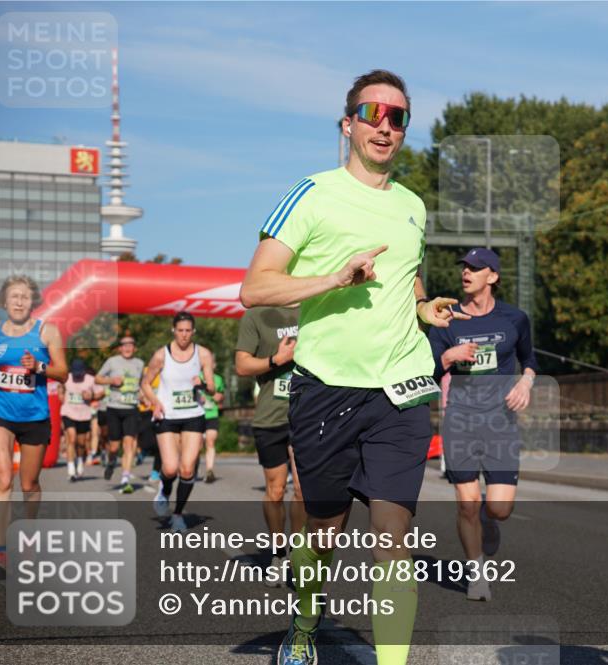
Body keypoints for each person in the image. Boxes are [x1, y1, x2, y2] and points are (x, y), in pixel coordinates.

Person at [239, 69, 465, 665]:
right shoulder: (311, 193)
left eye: (397, 117)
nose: (384, 126)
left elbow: (406, 274)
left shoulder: (414, 206)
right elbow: (254, 287)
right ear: (348, 124)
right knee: (323, 531)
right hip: (325, 389)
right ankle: (304, 627)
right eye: (372, 114)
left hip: (402, 390)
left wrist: (422, 304)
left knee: (393, 539)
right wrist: (335, 277)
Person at [428, 248, 537, 602]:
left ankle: (490, 520)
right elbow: (428, 372)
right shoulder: (448, 320)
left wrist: (526, 382)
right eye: (464, 267)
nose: (467, 273)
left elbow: (529, 359)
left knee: (499, 509)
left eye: (476, 268)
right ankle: (476, 573)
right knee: (467, 503)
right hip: (460, 417)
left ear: (493, 276)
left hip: (500, 421)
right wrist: (448, 356)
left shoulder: (514, 319)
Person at [0, 275, 68, 579]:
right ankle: (1, 551)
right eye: (14, 296)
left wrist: (38, 367)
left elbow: (63, 372)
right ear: (4, 301)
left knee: (29, 485)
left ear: (32, 301)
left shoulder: (47, 332)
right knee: (2, 480)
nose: (20, 301)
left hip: (35, 417)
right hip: (1, 414)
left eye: (25, 297)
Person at [234, 306, 306, 585]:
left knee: (302, 490)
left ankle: (300, 556)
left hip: (306, 415)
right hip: (270, 417)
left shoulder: (313, 306)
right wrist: (278, 358)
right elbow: (242, 365)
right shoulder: (257, 315)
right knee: (275, 492)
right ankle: (279, 554)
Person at [140, 311, 215, 533]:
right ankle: (164, 489)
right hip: (168, 416)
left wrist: (201, 383)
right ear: (173, 330)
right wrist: (155, 402)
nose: (184, 335)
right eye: (180, 330)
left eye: (188, 331)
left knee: (187, 468)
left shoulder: (203, 354)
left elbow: (211, 387)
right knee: (171, 468)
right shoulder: (161, 355)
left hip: (193, 414)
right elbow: (145, 383)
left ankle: (178, 515)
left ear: (194, 331)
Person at [96, 335, 144, 493]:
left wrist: (145, 397)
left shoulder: (140, 364)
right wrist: (111, 381)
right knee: (115, 447)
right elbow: (97, 378)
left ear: (134, 347)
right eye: (124, 345)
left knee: (129, 444)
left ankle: (125, 478)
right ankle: (111, 462)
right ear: (120, 348)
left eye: (131, 345)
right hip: (114, 408)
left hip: (131, 408)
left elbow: (142, 385)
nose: (128, 348)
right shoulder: (112, 361)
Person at [58, 358, 101, 482]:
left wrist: (92, 396)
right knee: (71, 439)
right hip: (68, 413)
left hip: (84, 414)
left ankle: (80, 461)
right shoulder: (67, 377)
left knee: (81, 443)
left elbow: (101, 392)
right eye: (75, 373)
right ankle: (71, 470)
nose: (77, 376)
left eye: (80, 373)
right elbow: (60, 386)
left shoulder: (90, 379)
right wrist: (61, 394)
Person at [199, 361, 225, 483]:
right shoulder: (196, 377)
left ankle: (209, 470)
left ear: (214, 365)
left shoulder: (218, 379)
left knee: (210, 441)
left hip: (212, 414)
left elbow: (221, 396)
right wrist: (198, 398)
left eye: (212, 363)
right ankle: (191, 468)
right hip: (197, 415)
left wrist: (219, 397)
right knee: (197, 445)